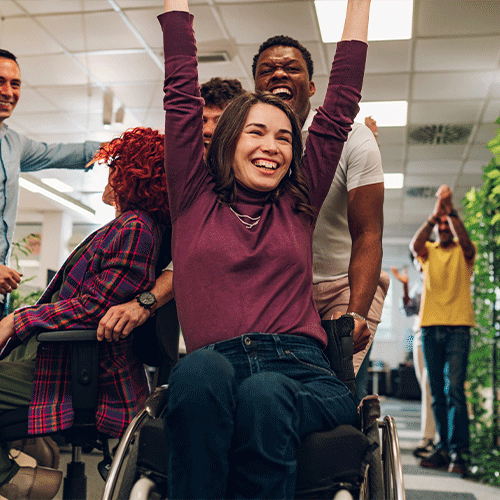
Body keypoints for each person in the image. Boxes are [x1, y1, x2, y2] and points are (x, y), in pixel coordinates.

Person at [159, 0, 370, 498]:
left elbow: (340, 103)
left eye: (284, 138)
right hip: (216, 363)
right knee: (199, 369)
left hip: (300, 370)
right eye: (256, 132)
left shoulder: (298, 203)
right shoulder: (192, 196)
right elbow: (179, 88)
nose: (272, 146)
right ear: (229, 140)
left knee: (264, 391)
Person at [0, 127, 168, 500]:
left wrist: (18, 319)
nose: (109, 172)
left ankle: (16, 478)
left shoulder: (136, 227)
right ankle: (35, 453)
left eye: (117, 165)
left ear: (132, 174)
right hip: (64, 362)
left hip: (75, 372)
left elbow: (96, 309)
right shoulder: (127, 226)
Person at [252, 35, 388, 400]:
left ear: (311, 86)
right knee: (276, 389)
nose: (279, 73)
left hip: (346, 285)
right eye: (268, 70)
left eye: (291, 68)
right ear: (256, 87)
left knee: (334, 392)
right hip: (285, 286)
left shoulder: (353, 139)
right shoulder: (250, 147)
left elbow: (368, 233)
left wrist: (355, 315)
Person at [97, 77, 245, 342]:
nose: (208, 130)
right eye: (202, 120)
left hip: (210, 310)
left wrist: (145, 302)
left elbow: (191, 257)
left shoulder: (239, 187)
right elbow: (111, 198)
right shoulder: (172, 167)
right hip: (134, 300)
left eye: (219, 120)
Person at [0, 49, 102, 316]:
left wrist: (125, 147)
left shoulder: (13, 144)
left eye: (15, 84)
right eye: (0, 81)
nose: (8, 92)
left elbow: (63, 153)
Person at [410, 184, 475, 477]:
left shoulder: (465, 253)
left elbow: (466, 240)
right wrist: (435, 216)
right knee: (436, 392)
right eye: (441, 226)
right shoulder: (428, 253)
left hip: (458, 327)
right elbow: (415, 244)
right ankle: (444, 448)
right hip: (429, 327)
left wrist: (451, 213)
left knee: (454, 390)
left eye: (449, 226)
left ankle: (460, 452)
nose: (445, 230)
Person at [391, 263, 436, 459]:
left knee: (430, 385)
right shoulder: (418, 283)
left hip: (437, 332)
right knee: (426, 386)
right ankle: (430, 436)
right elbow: (409, 310)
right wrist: (405, 286)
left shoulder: (440, 276)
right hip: (420, 333)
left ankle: (429, 438)